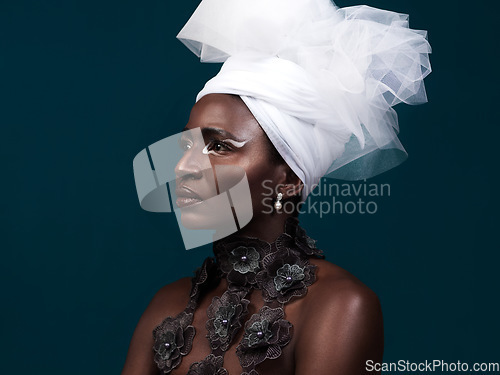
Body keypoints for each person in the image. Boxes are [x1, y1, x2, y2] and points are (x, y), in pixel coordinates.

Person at [122, 0, 431, 374]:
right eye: (186, 145)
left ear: (289, 179)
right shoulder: (167, 305)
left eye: (219, 146)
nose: (184, 166)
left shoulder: (340, 306)